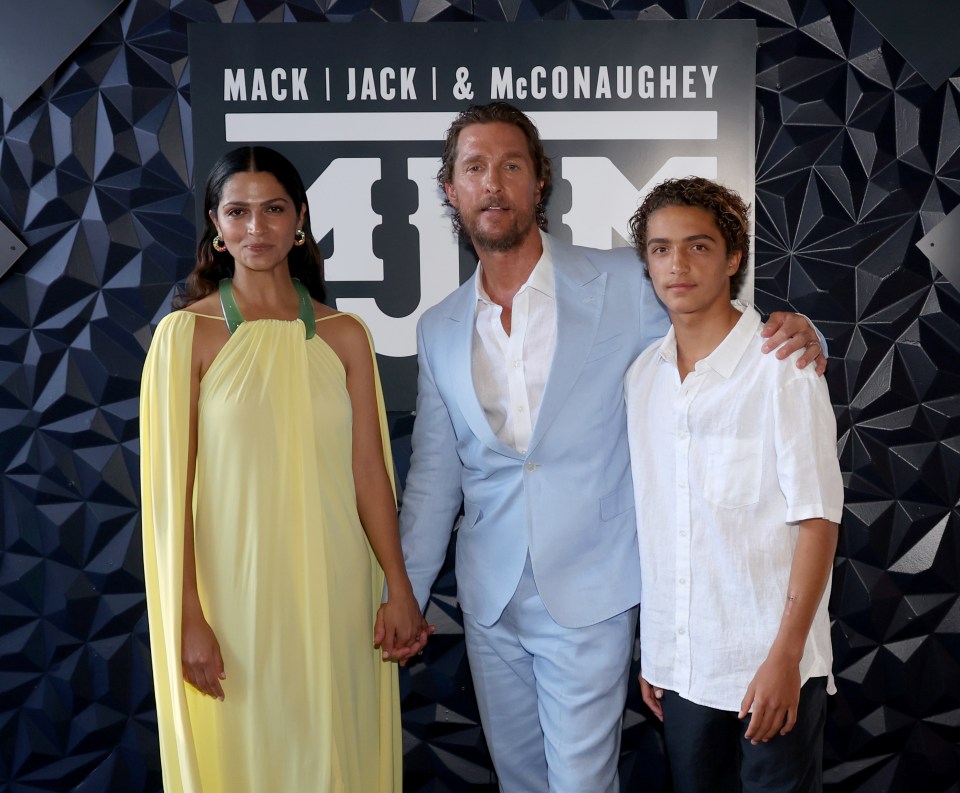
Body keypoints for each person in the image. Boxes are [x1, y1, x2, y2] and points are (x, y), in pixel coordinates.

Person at [397, 102, 828, 793]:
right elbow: (433, 480)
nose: (493, 182)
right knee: (520, 781)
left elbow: (720, 322)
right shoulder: (440, 327)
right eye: (474, 167)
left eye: (511, 165)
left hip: (591, 592)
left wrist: (808, 339)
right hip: (489, 597)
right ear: (451, 190)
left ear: (540, 182)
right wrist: (404, 592)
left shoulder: (623, 282)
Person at [139, 146, 427, 793]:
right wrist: (187, 614)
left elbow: (370, 475)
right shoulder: (185, 337)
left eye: (273, 210)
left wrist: (398, 586)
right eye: (237, 212)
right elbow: (170, 498)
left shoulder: (346, 334)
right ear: (216, 225)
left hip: (337, 590)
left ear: (299, 220)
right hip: (235, 600)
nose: (256, 228)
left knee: (335, 753)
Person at [625, 177, 843, 792]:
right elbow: (661, 522)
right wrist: (659, 649)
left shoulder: (784, 369)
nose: (678, 265)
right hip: (685, 671)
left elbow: (818, 518)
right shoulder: (642, 380)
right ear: (647, 263)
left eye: (698, 246)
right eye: (662, 249)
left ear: (733, 257)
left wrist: (787, 657)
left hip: (769, 666)